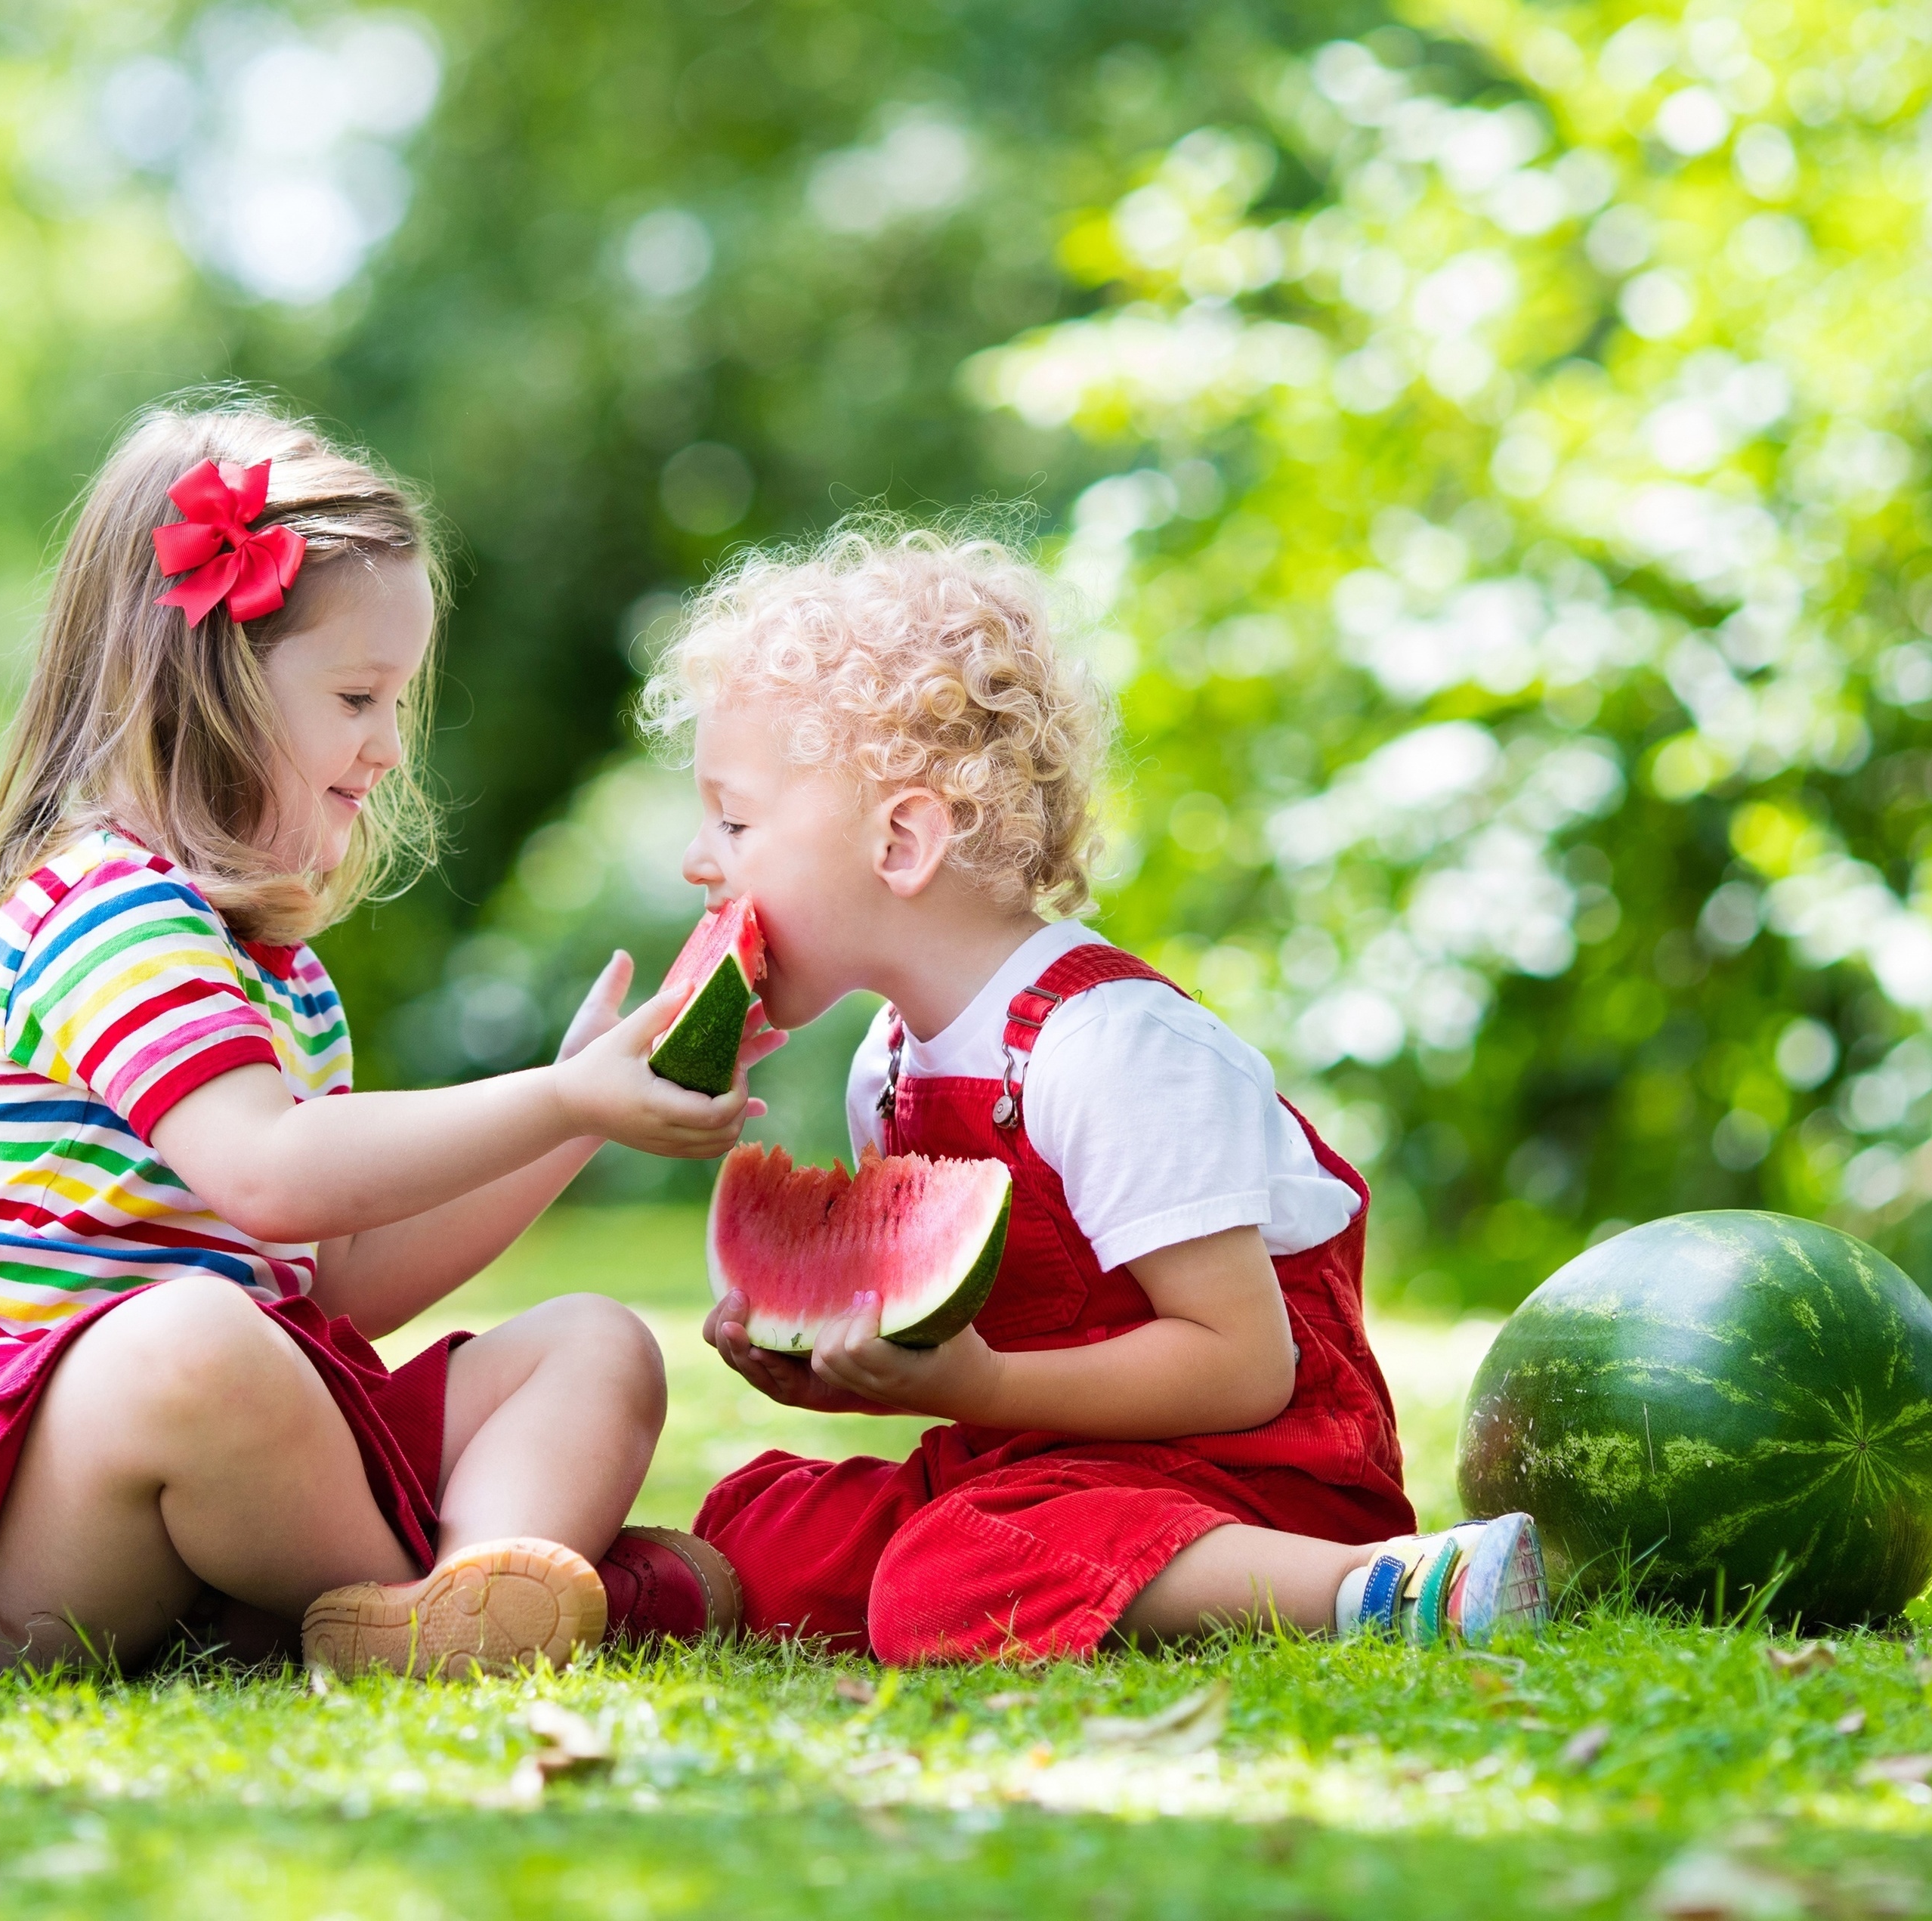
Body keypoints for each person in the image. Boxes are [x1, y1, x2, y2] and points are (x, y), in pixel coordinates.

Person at [0, 398, 749, 1678]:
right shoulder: (108, 907)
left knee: (598, 1344)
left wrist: (577, 1123)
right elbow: (264, 1167)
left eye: (397, 699)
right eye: (358, 695)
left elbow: (337, 1283)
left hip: (243, 1488)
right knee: (198, 1337)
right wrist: (560, 1097)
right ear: (211, 678)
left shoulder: (279, 973)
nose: (388, 745)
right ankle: (441, 1600)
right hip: (26, 1527)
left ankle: (453, 1602)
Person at [641, 524, 1547, 1663]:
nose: (698, 858)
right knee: (767, 1518)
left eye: (734, 819)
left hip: (1253, 1473)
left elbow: (1242, 1365)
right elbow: (954, 1344)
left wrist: (987, 1381)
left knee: (943, 1574)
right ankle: (625, 1589)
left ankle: (1377, 1587)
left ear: (905, 837)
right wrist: (844, 1370)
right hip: (1041, 1461)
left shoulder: (1107, 1048)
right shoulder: (892, 1064)